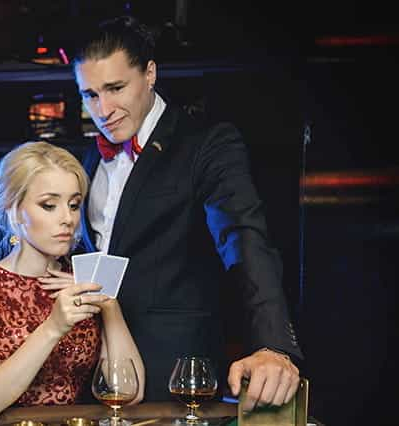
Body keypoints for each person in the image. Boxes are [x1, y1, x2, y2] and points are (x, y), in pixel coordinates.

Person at [72, 15, 302, 409]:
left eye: (115, 88)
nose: (103, 109)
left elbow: (244, 239)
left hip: (174, 378)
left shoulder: (207, 143)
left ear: (150, 74)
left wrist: (274, 345)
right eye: (90, 94)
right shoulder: (89, 156)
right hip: (90, 375)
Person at [0, 141, 144, 420]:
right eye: (49, 205)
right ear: (14, 209)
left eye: (74, 205)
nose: (68, 218)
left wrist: (109, 306)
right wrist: (54, 326)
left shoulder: (85, 281)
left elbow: (129, 393)